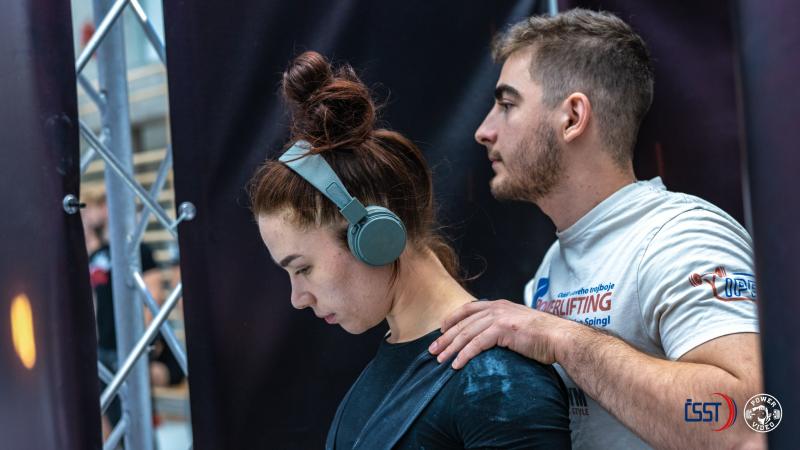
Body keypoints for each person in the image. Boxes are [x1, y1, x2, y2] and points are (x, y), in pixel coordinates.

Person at [428, 8, 764, 449]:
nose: (483, 131)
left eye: (507, 105)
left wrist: (563, 339)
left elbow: (748, 422)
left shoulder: (682, 238)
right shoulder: (553, 266)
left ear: (572, 117)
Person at [249, 51, 571, 449]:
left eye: (303, 268)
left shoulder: (498, 383)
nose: (298, 298)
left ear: (371, 235)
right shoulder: (400, 361)